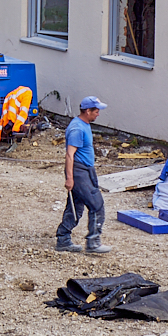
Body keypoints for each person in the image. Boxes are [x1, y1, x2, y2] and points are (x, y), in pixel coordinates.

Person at [56, 96, 111, 254]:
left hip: (85, 170)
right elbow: (69, 155)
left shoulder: (84, 124)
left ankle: (63, 240)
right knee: (96, 205)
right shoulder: (77, 129)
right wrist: (70, 178)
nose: (98, 114)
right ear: (88, 111)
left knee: (75, 207)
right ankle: (93, 243)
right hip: (79, 172)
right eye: (96, 111)